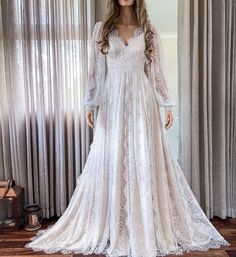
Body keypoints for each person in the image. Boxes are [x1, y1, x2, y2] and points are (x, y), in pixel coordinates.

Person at [25, 0, 231, 256]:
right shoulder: (102, 29)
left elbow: (157, 72)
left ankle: (144, 223)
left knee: (143, 160)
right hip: (112, 102)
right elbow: (95, 71)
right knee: (112, 158)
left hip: (141, 102)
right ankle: (114, 222)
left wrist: (167, 104)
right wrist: (90, 103)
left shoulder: (148, 29)